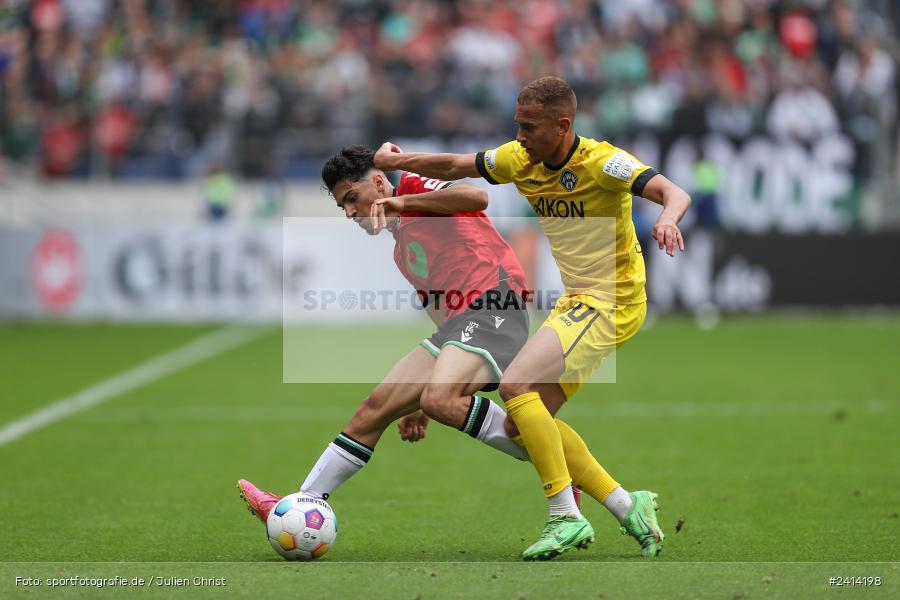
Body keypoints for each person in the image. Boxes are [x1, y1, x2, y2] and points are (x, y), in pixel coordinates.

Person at [372, 76, 692, 560]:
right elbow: (459, 164)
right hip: (576, 301)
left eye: (530, 127)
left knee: (514, 385)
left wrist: (667, 218)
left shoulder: (603, 161)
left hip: (611, 299)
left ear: (563, 124)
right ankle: (630, 505)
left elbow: (674, 191)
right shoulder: (521, 158)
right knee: (526, 421)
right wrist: (398, 162)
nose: (519, 136)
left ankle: (565, 515)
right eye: (517, 125)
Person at [239, 146, 597, 556]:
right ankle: (300, 503)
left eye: (351, 199)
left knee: (443, 398)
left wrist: (403, 200)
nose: (350, 213)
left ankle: (562, 480)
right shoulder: (402, 250)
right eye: (342, 207)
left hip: (496, 303)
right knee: (374, 409)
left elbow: (478, 197)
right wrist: (418, 399)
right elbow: (440, 311)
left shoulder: (411, 186)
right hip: (462, 323)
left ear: (377, 182)